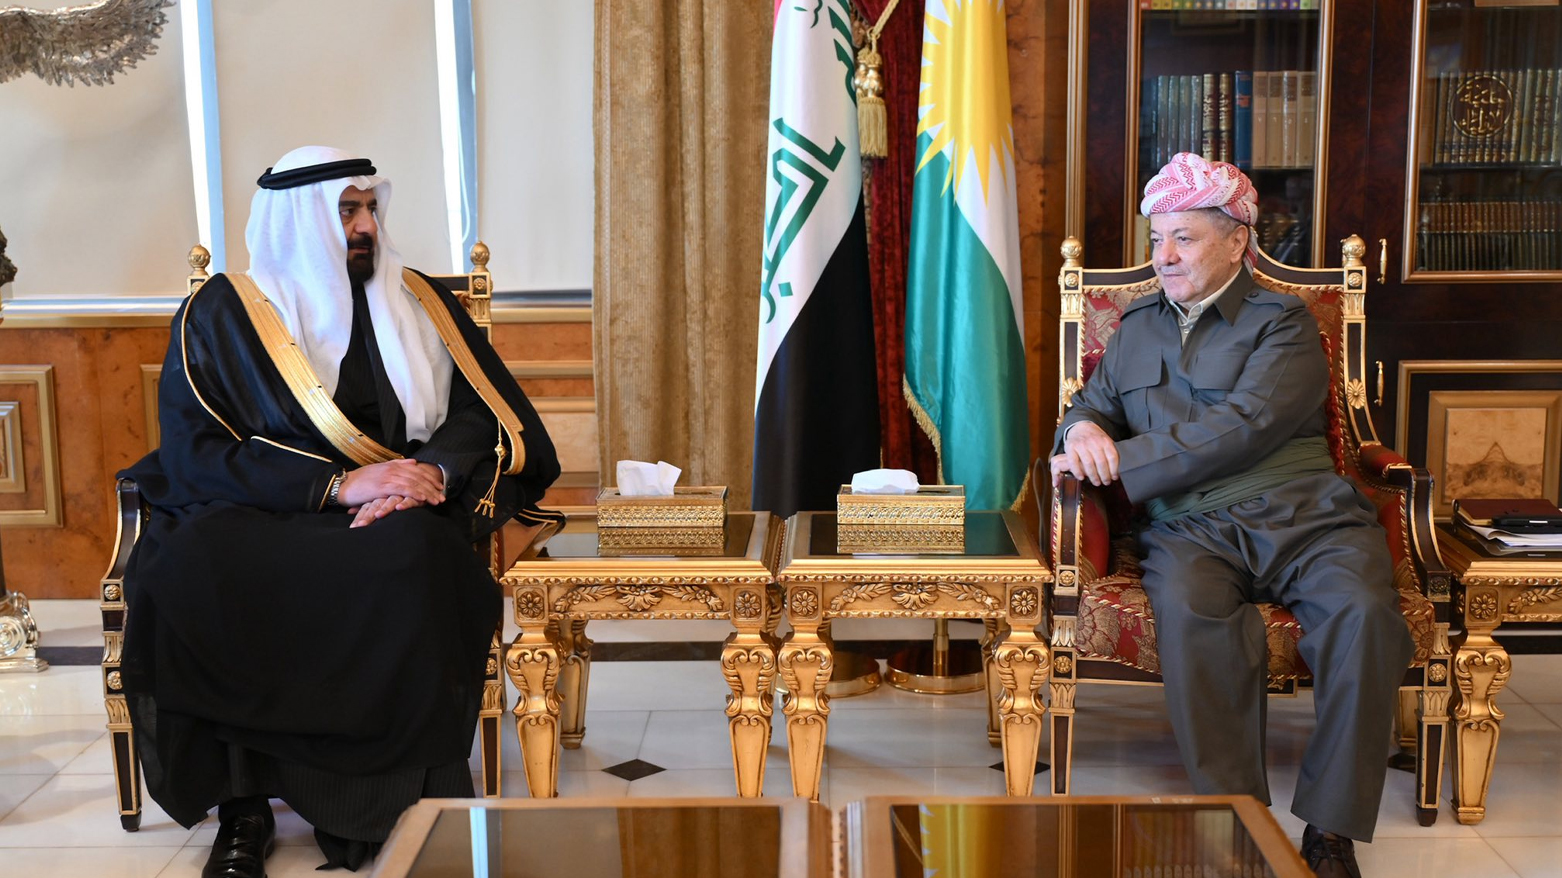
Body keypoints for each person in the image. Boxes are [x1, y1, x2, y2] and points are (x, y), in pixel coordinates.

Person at [120, 146, 561, 876]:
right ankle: (243, 810)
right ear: (298, 222)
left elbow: (483, 413)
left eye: (370, 209)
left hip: (397, 507)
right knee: (196, 566)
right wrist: (336, 487)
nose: (365, 227)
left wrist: (426, 472)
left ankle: (399, 808)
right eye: (347, 211)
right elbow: (196, 449)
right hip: (261, 502)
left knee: (413, 561)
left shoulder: (418, 297)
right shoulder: (224, 312)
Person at [1050, 153, 1414, 878]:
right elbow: (1095, 402)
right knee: (1191, 613)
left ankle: (1330, 830)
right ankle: (1239, 820)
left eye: (1182, 237)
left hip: (1307, 516)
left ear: (1236, 240)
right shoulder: (1136, 326)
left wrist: (1125, 460)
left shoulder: (1285, 322)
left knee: (1366, 617)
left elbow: (1247, 424)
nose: (1163, 256)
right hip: (1189, 528)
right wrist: (1082, 430)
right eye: (1157, 239)